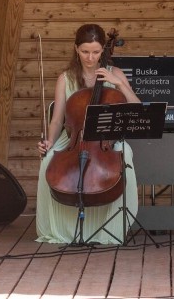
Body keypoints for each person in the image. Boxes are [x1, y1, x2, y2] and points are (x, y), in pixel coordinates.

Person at [36, 24, 140, 245]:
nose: (90, 57)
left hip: (106, 140)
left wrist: (119, 84)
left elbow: (136, 107)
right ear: (76, 49)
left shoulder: (115, 74)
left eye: (95, 52)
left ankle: (110, 229)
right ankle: (63, 230)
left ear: (103, 50)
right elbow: (57, 119)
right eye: (85, 51)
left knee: (125, 155)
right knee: (48, 161)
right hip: (73, 138)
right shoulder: (66, 78)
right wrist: (49, 141)